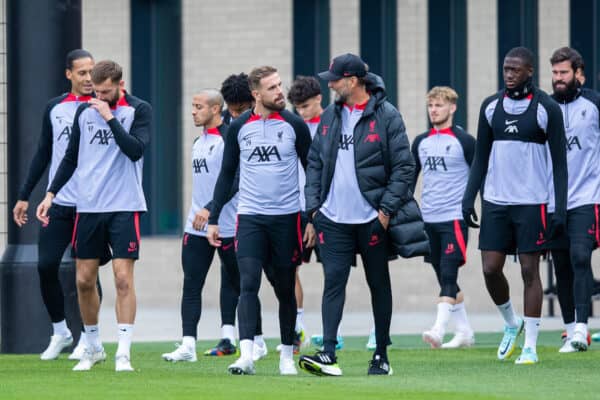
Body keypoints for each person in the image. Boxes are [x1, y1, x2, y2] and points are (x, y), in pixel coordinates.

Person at [299, 53, 420, 376]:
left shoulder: (387, 116)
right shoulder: (330, 116)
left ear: (352, 81)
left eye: (335, 80)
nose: (331, 84)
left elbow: (405, 167)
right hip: (333, 218)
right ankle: (328, 354)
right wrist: (314, 209)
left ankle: (381, 355)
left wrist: (385, 210)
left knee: (378, 283)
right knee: (333, 282)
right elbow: (314, 163)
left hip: (372, 219)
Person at [37, 60, 152, 372]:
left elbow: (136, 150)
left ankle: (124, 352)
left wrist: (110, 118)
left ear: (119, 84)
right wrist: (51, 194)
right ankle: (93, 346)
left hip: (124, 206)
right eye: (96, 92)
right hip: (88, 208)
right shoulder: (84, 112)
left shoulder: (139, 110)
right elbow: (71, 157)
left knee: (122, 279)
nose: (99, 96)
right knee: (84, 280)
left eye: (105, 91)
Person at [462, 47, 567, 364]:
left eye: (515, 69)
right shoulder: (491, 107)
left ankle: (531, 346)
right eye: (505, 68)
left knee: (528, 271)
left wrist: (558, 210)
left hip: (532, 203)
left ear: (529, 72)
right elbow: (481, 157)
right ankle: (512, 323)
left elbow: (560, 166)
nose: (508, 74)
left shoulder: (546, 108)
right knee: (490, 269)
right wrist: (469, 196)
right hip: (496, 201)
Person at [207, 65, 313, 375]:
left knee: (283, 289)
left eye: (280, 85)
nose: (280, 92)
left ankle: (286, 357)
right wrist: (214, 217)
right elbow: (227, 174)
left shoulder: (295, 125)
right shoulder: (239, 127)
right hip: (250, 218)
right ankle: (247, 355)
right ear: (256, 94)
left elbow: (312, 172)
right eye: (272, 88)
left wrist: (311, 217)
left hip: (286, 219)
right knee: (248, 284)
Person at [13, 49, 105, 361]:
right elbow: (43, 153)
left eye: (92, 71)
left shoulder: (104, 107)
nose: (89, 78)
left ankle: (91, 339)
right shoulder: (55, 108)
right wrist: (25, 195)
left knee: (88, 274)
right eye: (82, 72)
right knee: (45, 265)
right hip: (61, 204)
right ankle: (61, 331)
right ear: (69, 74)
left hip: (93, 205)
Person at [161, 90, 241, 362]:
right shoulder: (198, 141)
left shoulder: (229, 137)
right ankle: (188, 345)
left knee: (236, 280)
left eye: (199, 107)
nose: (193, 111)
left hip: (227, 224)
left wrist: (211, 209)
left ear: (216, 109)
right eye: (192, 106)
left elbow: (235, 180)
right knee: (192, 284)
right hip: (195, 225)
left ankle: (236, 337)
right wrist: (202, 211)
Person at [203, 73, 265, 358]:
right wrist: (214, 211)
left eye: (240, 109)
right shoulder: (227, 127)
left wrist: (212, 207)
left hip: (256, 210)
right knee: (233, 276)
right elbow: (226, 173)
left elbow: (239, 177)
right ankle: (231, 338)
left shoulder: (266, 122)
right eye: (232, 109)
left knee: (263, 278)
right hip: (228, 215)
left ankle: (265, 338)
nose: (235, 115)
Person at [411, 86, 475, 349]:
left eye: (439, 105)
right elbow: (410, 179)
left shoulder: (465, 141)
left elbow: (481, 175)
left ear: (452, 107)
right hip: (429, 220)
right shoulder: (421, 142)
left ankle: (438, 329)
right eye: (431, 106)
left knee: (448, 274)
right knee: (443, 276)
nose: (434, 110)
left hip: (454, 219)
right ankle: (465, 333)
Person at [546, 47, 600, 352]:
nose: (558, 79)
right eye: (554, 73)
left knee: (581, 256)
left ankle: (582, 327)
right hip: (553, 202)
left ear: (577, 73)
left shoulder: (593, 103)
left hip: (587, 197)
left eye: (563, 73)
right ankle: (569, 329)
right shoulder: (545, 107)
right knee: (562, 265)